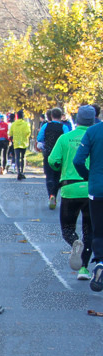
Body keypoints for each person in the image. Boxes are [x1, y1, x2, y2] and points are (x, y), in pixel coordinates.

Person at [49, 106, 95, 280]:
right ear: (93, 120)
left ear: (76, 120)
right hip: (92, 188)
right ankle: (84, 269)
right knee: (89, 229)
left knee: (68, 229)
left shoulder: (65, 138)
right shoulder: (97, 137)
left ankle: (75, 242)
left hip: (70, 188)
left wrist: (59, 167)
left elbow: (53, 160)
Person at [74, 107, 103, 291]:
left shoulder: (93, 131)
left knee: (98, 229)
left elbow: (78, 160)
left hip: (97, 189)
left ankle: (100, 263)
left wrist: (88, 176)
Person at [38, 107, 68, 210]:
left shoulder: (46, 126)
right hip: (60, 156)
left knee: (49, 175)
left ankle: (51, 195)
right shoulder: (64, 127)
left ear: (51, 116)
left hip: (48, 154)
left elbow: (40, 139)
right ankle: (54, 194)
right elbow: (67, 139)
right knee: (58, 176)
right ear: (61, 116)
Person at [9, 110, 31, 180]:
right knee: (23, 157)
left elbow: (10, 134)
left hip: (16, 143)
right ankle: (22, 172)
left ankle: (18, 172)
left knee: (17, 158)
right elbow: (28, 132)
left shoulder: (14, 124)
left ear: (17, 116)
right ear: (23, 116)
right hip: (24, 143)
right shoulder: (26, 124)